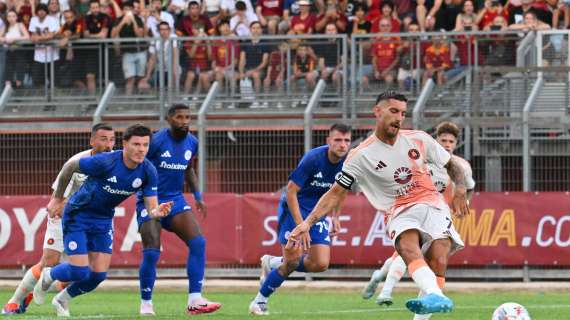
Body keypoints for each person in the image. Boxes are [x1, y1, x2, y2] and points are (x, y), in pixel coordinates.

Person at [290, 91, 470, 316]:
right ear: (377, 112)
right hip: (398, 210)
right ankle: (434, 293)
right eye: (393, 111)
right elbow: (335, 193)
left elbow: (452, 164)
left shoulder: (419, 139)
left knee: (439, 259)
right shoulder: (360, 155)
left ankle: (433, 295)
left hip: (432, 202)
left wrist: (461, 188)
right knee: (407, 246)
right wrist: (308, 222)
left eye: (403, 113)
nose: (399, 118)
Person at [33, 124, 172, 317]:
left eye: (145, 145)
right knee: (79, 271)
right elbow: (71, 167)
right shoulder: (105, 161)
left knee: (98, 275)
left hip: (103, 219)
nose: (141, 149)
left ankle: (62, 299)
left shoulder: (148, 171)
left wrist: (158, 212)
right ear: (124, 144)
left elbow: (151, 208)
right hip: (78, 214)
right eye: (136, 144)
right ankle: (48, 275)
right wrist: (57, 198)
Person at [362, 121, 475, 317]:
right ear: (436, 140)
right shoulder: (422, 157)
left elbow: (468, 186)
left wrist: (462, 200)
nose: (447, 144)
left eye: (451, 141)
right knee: (407, 253)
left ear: (456, 143)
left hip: (439, 215)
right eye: (443, 140)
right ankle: (385, 290)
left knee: (435, 262)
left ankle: (380, 278)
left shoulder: (460, 166)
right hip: (413, 211)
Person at [1, 124, 115, 315]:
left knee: (85, 271)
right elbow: (58, 199)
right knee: (49, 262)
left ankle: (49, 289)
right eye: (103, 139)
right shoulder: (77, 162)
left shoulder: (115, 162)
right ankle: (14, 302)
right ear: (92, 141)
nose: (109, 145)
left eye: (112, 140)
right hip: (64, 215)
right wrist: (66, 206)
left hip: (94, 219)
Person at [249, 123, 352, 316]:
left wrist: (336, 216)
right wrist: (300, 224)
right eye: (338, 140)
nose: (342, 145)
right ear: (328, 141)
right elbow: (290, 191)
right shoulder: (313, 159)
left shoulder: (350, 162)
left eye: (347, 140)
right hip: (295, 207)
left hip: (319, 210)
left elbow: (341, 190)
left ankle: (272, 262)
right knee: (292, 262)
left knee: (320, 264)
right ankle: (259, 301)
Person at [137, 104, 221, 316]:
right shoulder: (155, 141)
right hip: (151, 201)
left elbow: (189, 169)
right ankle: (146, 303)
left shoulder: (192, 142)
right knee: (152, 252)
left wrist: (198, 197)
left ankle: (195, 299)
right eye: (179, 117)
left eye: (187, 117)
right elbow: (140, 165)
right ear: (168, 119)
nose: (184, 121)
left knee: (198, 242)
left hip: (175, 200)